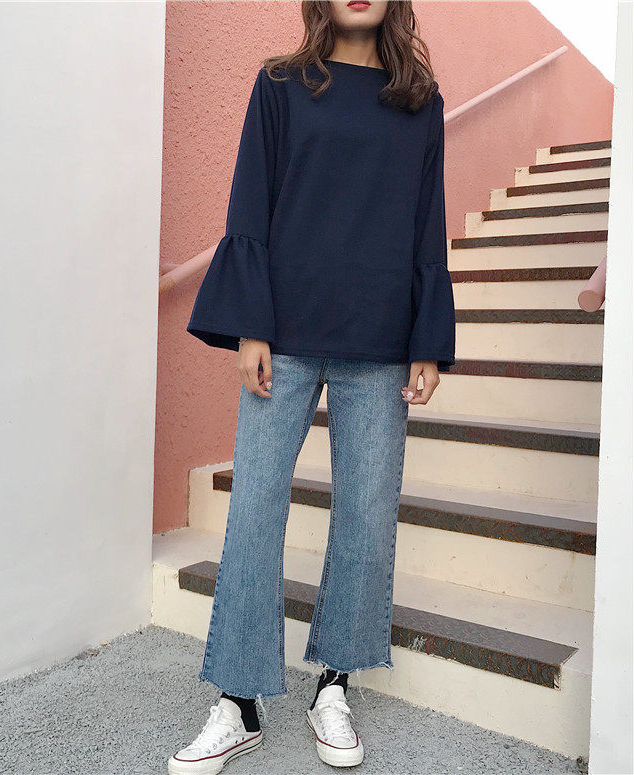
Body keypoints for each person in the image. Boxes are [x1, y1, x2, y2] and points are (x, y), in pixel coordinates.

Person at [168, 1, 455, 772]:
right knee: (255, 508)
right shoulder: (280, 86)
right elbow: (251, 201)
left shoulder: (419, 102)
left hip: (381, 338)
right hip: (284, 335)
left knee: (365, 514)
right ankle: (238, 701)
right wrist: (251, 325)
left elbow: (426, 223)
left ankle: (335, 684)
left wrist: (428, 339)